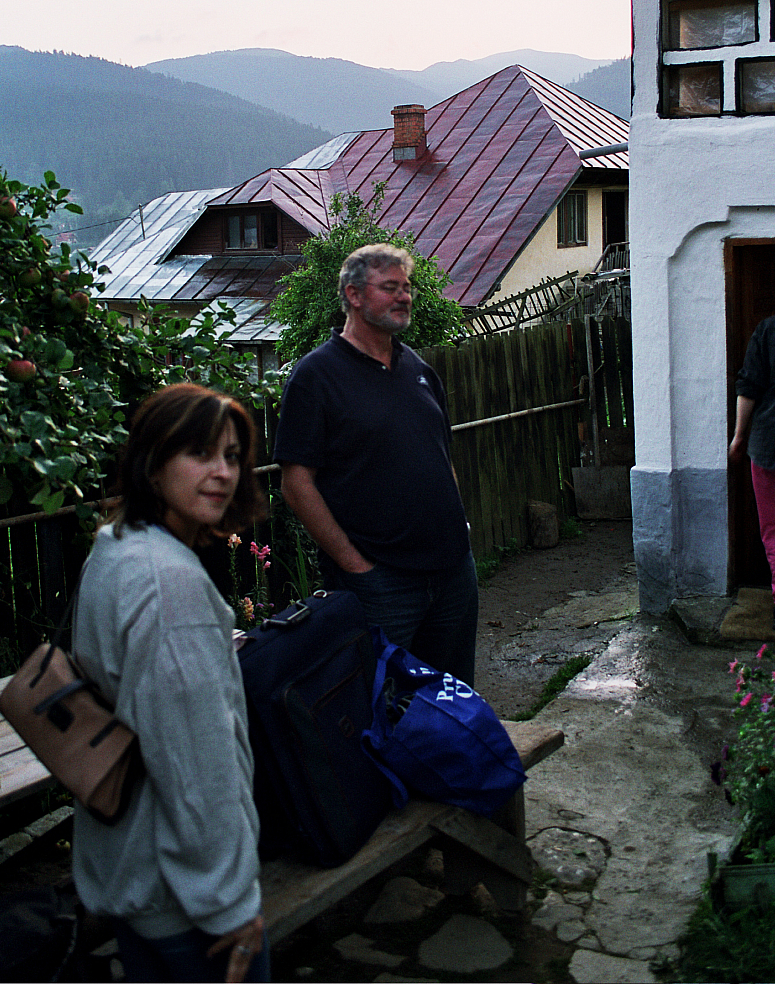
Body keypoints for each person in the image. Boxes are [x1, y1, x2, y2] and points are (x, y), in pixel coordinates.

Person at [72, 383, 270, 983]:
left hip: (138, 881)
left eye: (232, 456)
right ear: (154, 462)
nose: (222, 473)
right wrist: (231, 904)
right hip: (191, 912)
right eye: (200, 454)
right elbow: (196, 767)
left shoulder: (117, 546)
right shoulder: (168, 585)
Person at [274, 243, 477, 685]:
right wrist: (355, 566)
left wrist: (459, 528)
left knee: (451, 701)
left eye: (407, 287)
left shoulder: (418, 368)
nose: (404, 296)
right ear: (354, 295)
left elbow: (441, 455)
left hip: (453, 573)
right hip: (382, 584)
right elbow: (296, 484)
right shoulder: (316, 376)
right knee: (379, 706)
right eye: (390, 287)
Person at [730, 314, 775, 634]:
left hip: (769, 447)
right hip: (767, 448)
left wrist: (739, 438)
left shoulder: (768, 330)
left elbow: (748, 389)